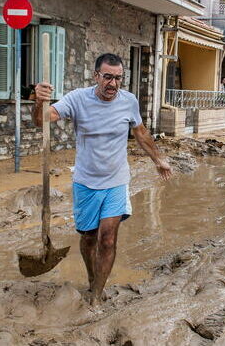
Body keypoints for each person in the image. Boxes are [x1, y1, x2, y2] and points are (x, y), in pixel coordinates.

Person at [33, 53, 173, 305]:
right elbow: (43, 119)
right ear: (96, 75)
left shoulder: (129, 101)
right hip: (86, 182)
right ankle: (91, 279)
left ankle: (96, 295)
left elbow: (140, 132)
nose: (113, 84)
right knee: (88, 237)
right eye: (107, 77)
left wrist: (158, 159)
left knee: (107, 239)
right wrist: (38, 101)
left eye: (118, 78)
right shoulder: (78, 98)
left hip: (116, 181)